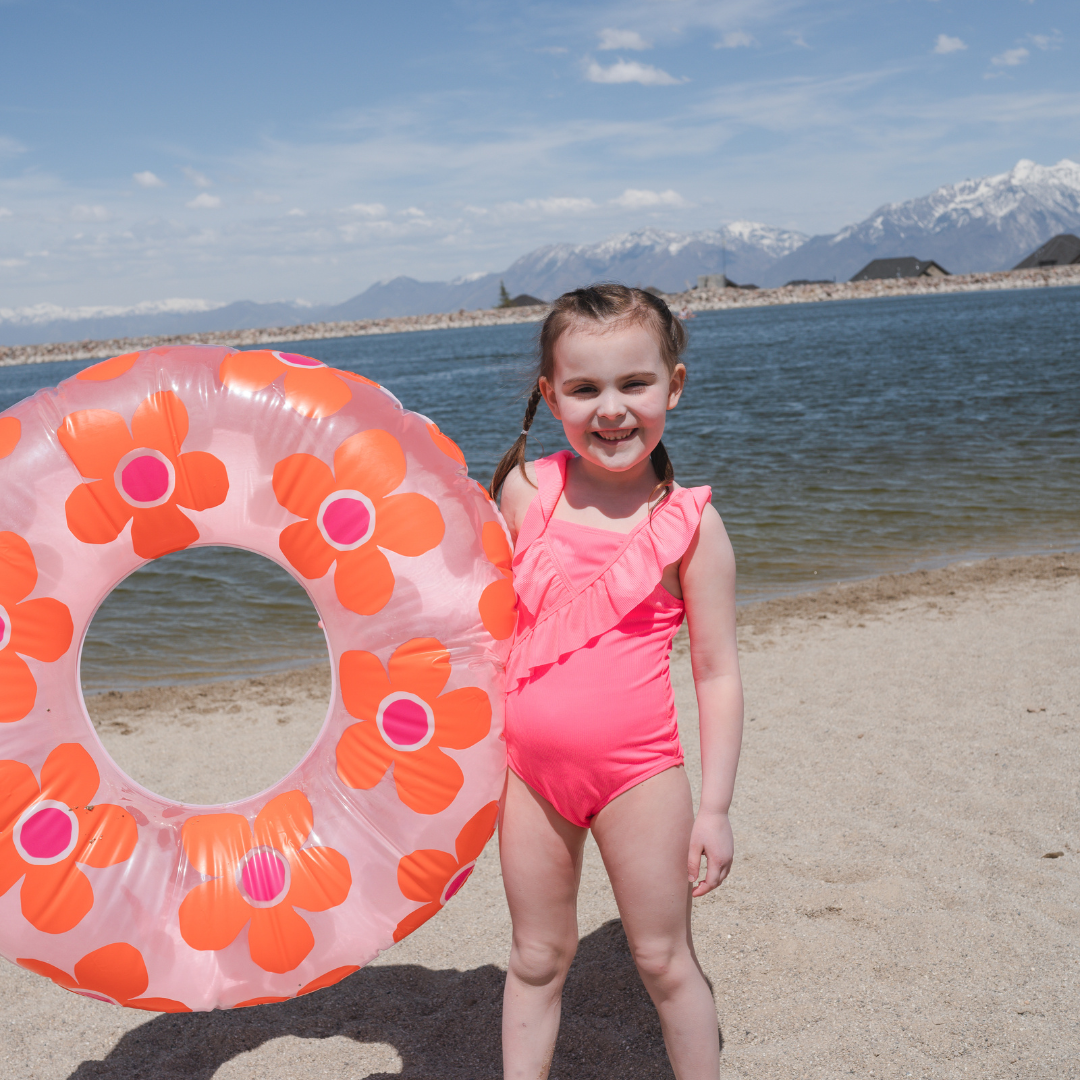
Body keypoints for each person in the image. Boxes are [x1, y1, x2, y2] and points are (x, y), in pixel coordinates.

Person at [489, 284, 743, 1079]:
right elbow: (469, 620)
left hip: (641, 776)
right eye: (584, 388)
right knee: (535, 957)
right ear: (550, 395)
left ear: (674, 384)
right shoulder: (526, 493)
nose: (611, 409)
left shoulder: (690, 525)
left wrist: (715, 808)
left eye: (634, 384)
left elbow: (717, 671)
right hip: (527, 776)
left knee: (663, 959)